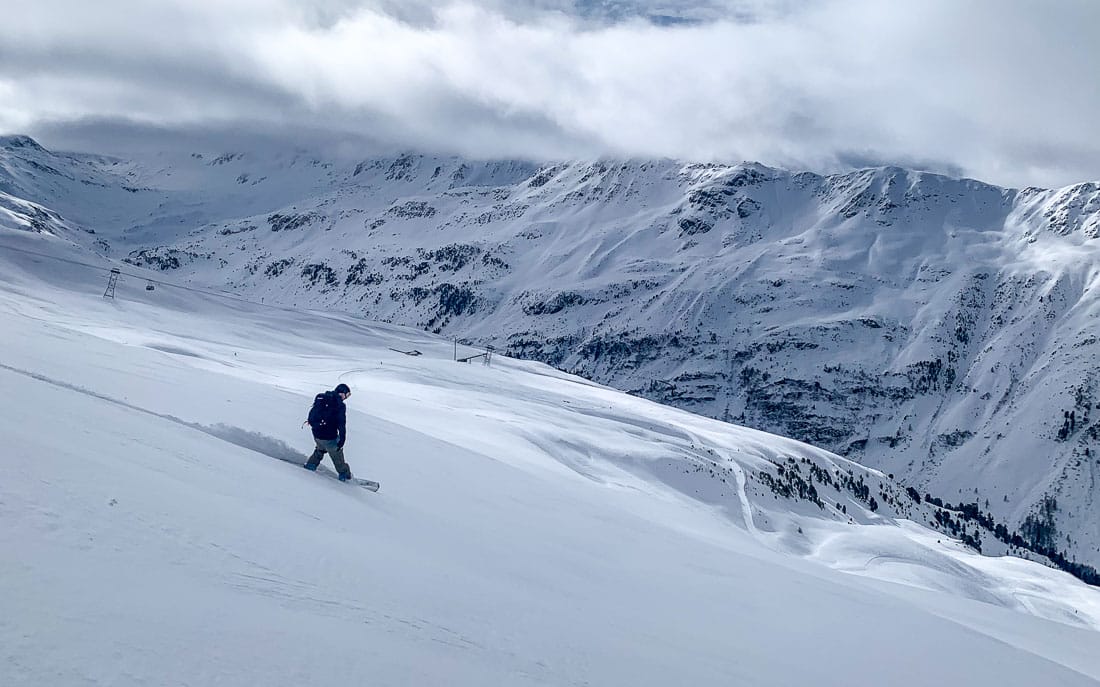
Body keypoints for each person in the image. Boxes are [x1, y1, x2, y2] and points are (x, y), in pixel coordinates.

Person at [303, 383, 354, 481]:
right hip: (329, 437)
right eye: (346, 395)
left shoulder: (322, 397)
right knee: (337, 455)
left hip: (316, 434)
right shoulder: (340, 405)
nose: (346, 398)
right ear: (342, 393)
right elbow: (341, 424)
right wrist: (342, 439)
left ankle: (311, 465)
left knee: (320, 449)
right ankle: (345, 475)